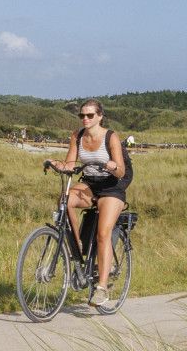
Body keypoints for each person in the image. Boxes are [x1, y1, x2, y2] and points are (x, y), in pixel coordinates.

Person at [45, 99, 132, 306]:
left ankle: (101, 288)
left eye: (90, 115)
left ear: (100, 116)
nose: (85, 119)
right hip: (90, 183)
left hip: (112, 186)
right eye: (82, 115)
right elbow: (70, 164)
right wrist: (55, 163)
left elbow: (121, 170)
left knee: (103, 233)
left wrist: (111, 166)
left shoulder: (110, 137)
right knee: (64, 201)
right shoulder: (77, 136)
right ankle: (78, 244)